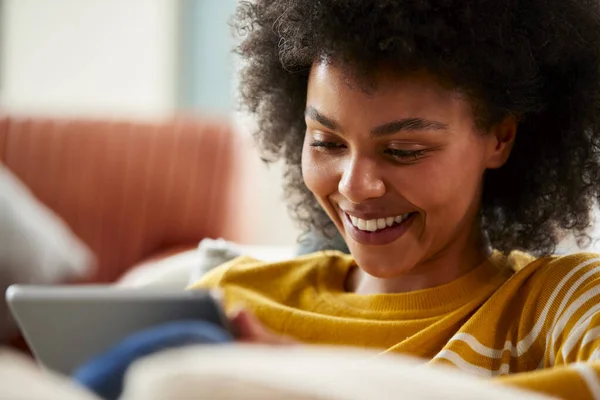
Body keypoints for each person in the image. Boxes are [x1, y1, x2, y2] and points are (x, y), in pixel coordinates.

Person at [190, 0, 600, 398]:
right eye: (327, 143)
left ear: (499, 138)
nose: (354, 185)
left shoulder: (552, 302)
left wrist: (312, 387)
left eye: (403, 151)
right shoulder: (229, 300)